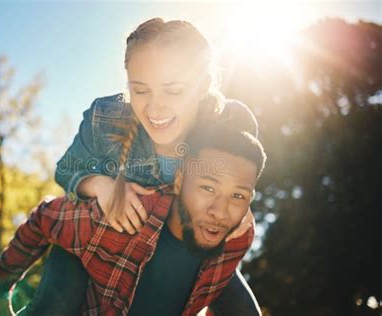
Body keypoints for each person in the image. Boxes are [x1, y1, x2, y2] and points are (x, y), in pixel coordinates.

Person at [28, 17, 261, 315]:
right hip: (106, 242)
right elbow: (68, 168)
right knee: (59, 290)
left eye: (173, 91)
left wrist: (236, 205)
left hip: (183, 246)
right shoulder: (107, 117)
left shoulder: (228, 123)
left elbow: (241, 178)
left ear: (203, 85)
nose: (155, 107)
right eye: (141, 90)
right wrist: (101, 186)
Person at [0, 119, 267, 315]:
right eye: (208, 188)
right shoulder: (123, 217)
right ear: (179, 181)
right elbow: (45, 218)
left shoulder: (238, 237)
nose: (220, 211)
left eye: (238, 196)